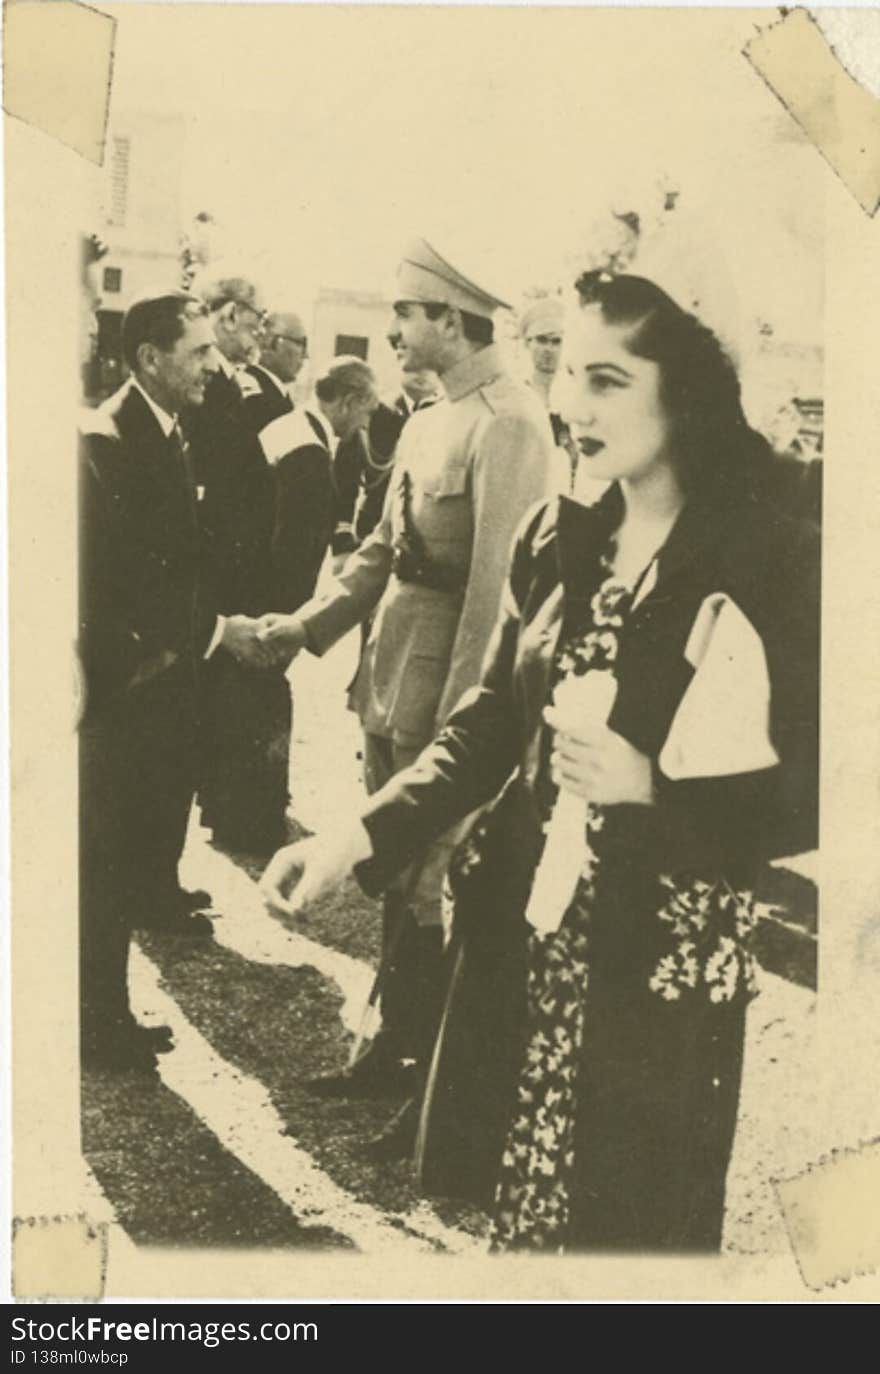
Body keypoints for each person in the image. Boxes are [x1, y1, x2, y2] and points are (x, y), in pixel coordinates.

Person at [261, 270, 819, 1251]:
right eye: (569, 373)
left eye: (607, 378)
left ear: (684, 389)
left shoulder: (770, 550)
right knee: (533, 1220)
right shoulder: (559, 534)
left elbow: (830, 785)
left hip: (666, 979)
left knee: (631, 1239)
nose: (570, 403)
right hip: (544, 949)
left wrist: (654, 785)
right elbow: (487, 723)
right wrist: (354, 834)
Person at [256, 238, 554, 1155]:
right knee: (394, 875)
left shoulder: (509, 423)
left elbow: (496, 595)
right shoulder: (430, 416)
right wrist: (305, 628)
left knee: (438, 886)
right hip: (391, 679)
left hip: (442, 703)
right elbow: (383, 552)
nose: (392, 332)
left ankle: (429, 1091)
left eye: (407, 316)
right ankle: (389, 1049)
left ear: (452, 322)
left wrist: (459, 724)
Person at [78, 290, 263, 1072]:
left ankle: (106, 1013)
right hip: (123, 689)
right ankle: (94, 1024)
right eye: (197, 353)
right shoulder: (107, 439)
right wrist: (220, 634)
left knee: (122, 859)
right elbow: (123, 579)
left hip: (160, 683)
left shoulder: (166, 428)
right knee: (101, 861)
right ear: (150, 359)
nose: (212, 366)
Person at [185, 268, 284, 852]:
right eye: (257, 317)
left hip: (242, 568)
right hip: (207, 567)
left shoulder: (257, 385)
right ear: (225, 317)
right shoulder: (197, 385)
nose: (262, 330)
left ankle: (222, 808)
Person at [332, 360, 440, 562]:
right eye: (412, 366)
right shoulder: (373, 412)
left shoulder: (447, 419)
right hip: (374, 532)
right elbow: (345, 477)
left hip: (426, 541)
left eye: (429, 365)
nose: (421, 374)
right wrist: (342, 537)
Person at [242, 310, 309, 431]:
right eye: (301, 343)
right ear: (271, 342)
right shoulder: (256, 397)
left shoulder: (275, 394)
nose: (306, 355)